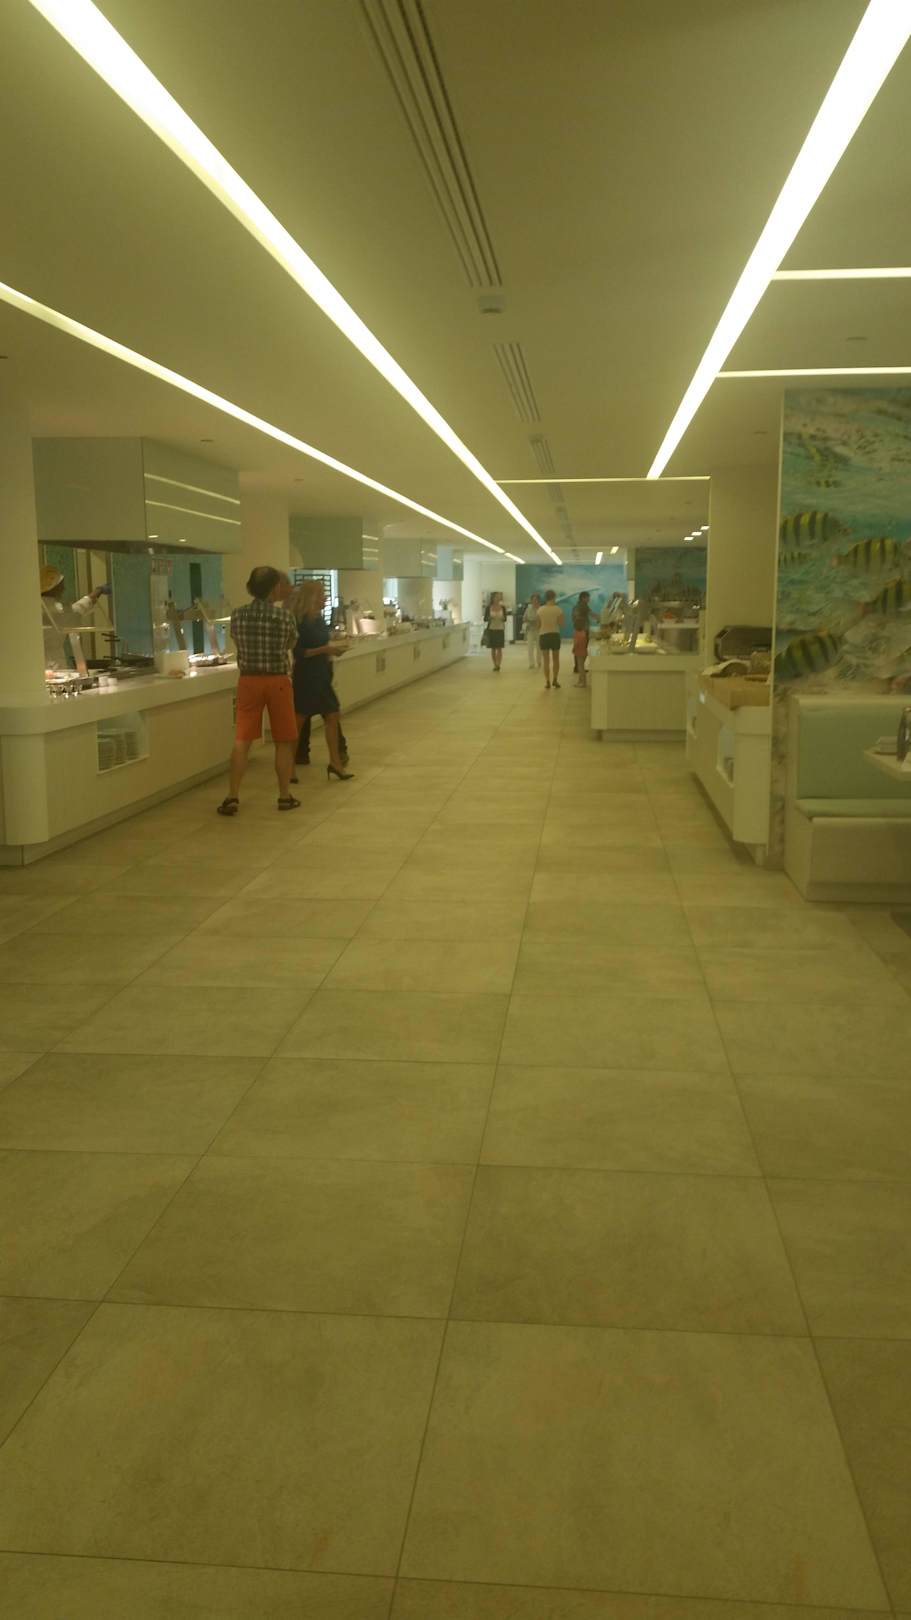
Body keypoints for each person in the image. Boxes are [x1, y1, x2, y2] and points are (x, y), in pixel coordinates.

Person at [217, 565, 299, 816]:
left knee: (242, 741)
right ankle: (284, 796)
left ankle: (232, 796)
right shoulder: (284, 617)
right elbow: (291, 643)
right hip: (278, 681)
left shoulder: (238, 615)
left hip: (249, 682)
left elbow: (236, 639)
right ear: (275, 588)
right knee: (283, 741)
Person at [292, 579, 354, 781]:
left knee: (332, 715)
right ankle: (289, 766)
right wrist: (326, 649)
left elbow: (322, 644)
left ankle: (335, 763)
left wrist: (332, 650)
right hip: (306, 676)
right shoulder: (299, 621)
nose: (325, 598)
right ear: (311, 597)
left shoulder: (319, 619)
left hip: (321, 674)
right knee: (299, 720)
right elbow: (299, 653)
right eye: (321, 595)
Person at [40, 566, 111, 669]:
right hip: (49, 663)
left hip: (49, 663)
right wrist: (98, 591)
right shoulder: (53, 610)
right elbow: (78, 609)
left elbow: (78, 608)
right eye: (61, 587)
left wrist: (98, 591)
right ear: (53, 588)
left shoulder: (47, 607)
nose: (63, 589)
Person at [537, 589, 565, 689]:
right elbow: (561, 624)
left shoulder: (540, 610)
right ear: (554, 597)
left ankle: (547, 681)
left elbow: (538, 625)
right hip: (555, 635)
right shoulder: (558, 609)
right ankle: (555, 680)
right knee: (556, 659)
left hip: (544, 636)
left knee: (546, 660)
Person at [572, 590, 595, 687]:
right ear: (583, 598)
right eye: (588, 597)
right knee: (581, 659)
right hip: (583, 632)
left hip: (579, 632)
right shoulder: (583, 606)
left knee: (580, 659)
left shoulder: (578, 606)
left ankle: (580, 678)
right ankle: (582, 679)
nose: (589, 599)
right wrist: (602, 619)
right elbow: (592, 614)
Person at [484, 590, 508, 671]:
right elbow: (485, 619)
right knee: (493, 648)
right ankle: (494, 664)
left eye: (499, 597)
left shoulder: (503, 608)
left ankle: (498, 664)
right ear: (493, 598)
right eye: (496, 597)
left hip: (500, 629)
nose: (498, 598)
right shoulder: (488, 608)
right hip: (491, 629)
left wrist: (503, 618)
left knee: (499, 648)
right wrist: (490, 618)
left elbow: (505, 619)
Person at [523, 593, 542, 670]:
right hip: (530, 630)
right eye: (533, 600)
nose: (535, 601)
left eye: (536, 600)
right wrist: (530, 621)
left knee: (539, 647)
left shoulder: (541, 609)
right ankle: (531, 663)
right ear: (531, 601)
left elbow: (543, 619)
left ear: (539, 600)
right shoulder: (528, 609)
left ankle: (539, 661)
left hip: (539, 630)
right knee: (530, 647)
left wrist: (538, 622)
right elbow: (524, 618)